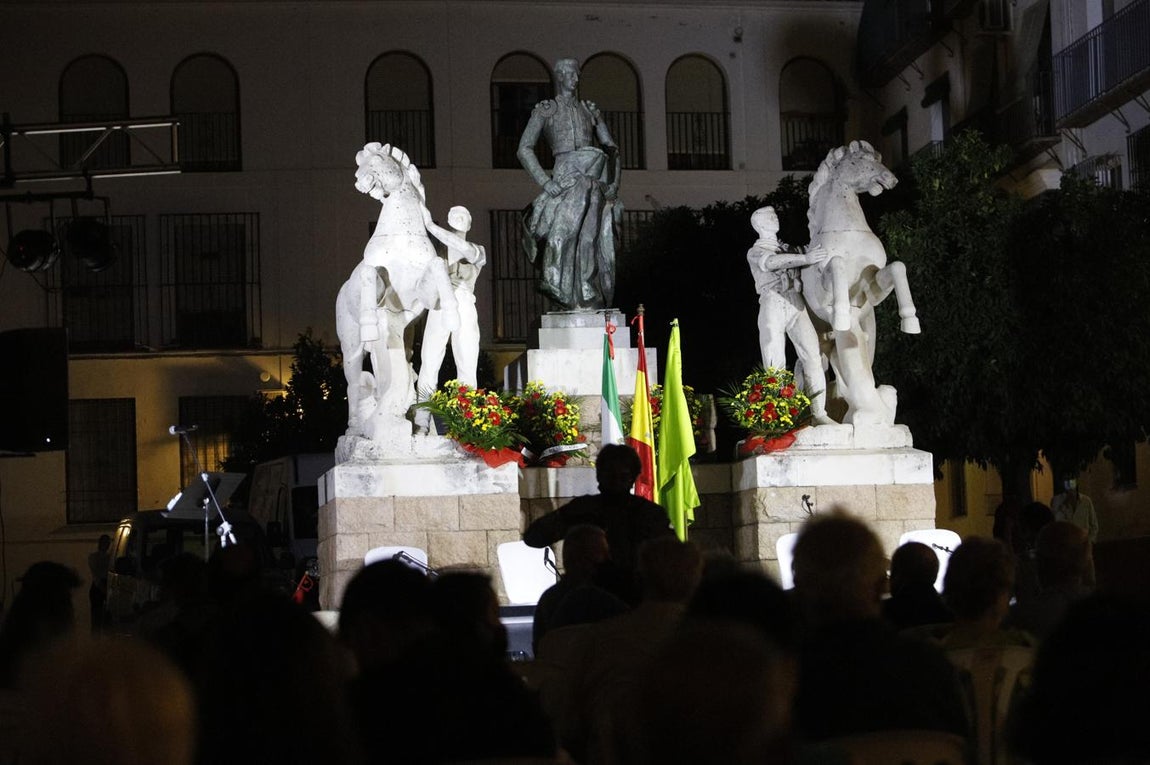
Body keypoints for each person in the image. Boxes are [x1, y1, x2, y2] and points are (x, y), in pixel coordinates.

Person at [517, 57, 621, 311]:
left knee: (591, 235)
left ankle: (587, 287)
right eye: (570, 74)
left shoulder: (588, 110)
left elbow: (609, 148)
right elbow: (524, 148)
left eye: (577, 75)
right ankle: (556, 282)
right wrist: (545, 181)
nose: (575, 79)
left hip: (592, 177)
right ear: (560, 76)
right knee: (566, 231)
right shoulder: (547, 110)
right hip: (566, 177)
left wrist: (599, 120)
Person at [524, 444, 673, 604]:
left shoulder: (649, 514)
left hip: (637, 599)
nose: (615, 483)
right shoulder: (584, 508)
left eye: (622, 477)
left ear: (633, 478)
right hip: (587, 598)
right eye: (610, 476)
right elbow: (534, 538)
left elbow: (672, 559)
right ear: (599, 476)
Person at [747, 205, 832, 424]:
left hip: (795, 301)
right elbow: (772, 263)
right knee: (775, 362)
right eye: (769, 216)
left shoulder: (788, 247)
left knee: (813, 356)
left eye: (774, 215)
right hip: (772, 301)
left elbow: (812, 249)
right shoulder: (756, 250)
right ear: (758, 224)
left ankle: (819, 413)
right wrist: (806, 259)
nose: (774, 218)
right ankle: (778, 417)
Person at [414, 205, 486, 435]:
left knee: (467, 363)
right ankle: (421, 420)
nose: (458, 217)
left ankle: (466, 421)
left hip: (464, 304)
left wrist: (431, 226)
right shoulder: (436, 253)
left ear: (469, 223)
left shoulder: (476, 250)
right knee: (429, 361)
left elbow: (463, 248)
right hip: (439, 307)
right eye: (454, 214)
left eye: (464, 215)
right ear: (448, 219)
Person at [882, 540, 953, 631]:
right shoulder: (953, 614)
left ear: (899, 573)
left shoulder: (881, 615)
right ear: (935, 574)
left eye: (892, 571)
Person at [1050, 478, 1098, 543]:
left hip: (1082, 542)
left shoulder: (1086, 501)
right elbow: (1054, 523)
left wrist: (1089, 541)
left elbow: (1094, 525)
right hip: (1065, 543)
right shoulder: (1057, 501)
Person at [88, 534, 112, 631]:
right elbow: (96, 575)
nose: (106, 545)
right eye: (105, 542)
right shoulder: (94, 557)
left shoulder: (109, 557)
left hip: (105, 586)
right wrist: (102, 588)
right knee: (97, 618)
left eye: (107, 543)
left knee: (106, 618)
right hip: (99, 588)